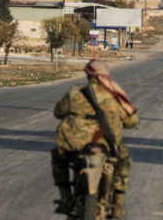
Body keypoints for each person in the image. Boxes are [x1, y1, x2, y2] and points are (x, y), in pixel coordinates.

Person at [51, 60, 138, 218]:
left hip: (74, 145)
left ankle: (65, 197)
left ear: (88, 75)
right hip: (106, 145)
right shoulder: (114, 95)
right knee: (123, 159)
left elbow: (58, 112)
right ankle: (118, 202)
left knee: (58, 157)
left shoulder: (75, 93)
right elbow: (132, 121)